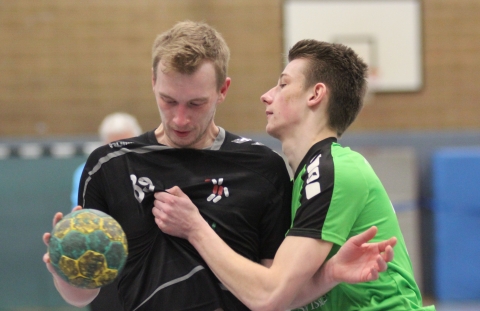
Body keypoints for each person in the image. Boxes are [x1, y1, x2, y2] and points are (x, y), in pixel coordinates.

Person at [43, 21, 394, 311]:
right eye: (168, 100)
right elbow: (83, 295)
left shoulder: (264, 168)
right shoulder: (110, 165)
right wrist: (66, 270)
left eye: (196, 103)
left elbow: (277, 292)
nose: (180, 118)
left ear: (223, 90)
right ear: (153, 83)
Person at [154, 40, 436, 310]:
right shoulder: (304, 179)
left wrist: (194, 227)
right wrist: (329, 274)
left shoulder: (333, 169)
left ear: (315, 95)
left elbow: (268, 297)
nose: (266, 95)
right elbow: (284, 297)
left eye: (283, 84)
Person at [70, 112, 142, 311]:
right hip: (104, 261)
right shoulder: (87, 173)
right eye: (112, 146)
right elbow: (82, 218)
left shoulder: (150, 171)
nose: (117, 154)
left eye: (124, 145)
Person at [71, 112, 142, 208]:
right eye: (113, 147)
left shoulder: (151, 168)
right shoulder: (87, 172)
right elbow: (83, 212)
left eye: (126, 146)